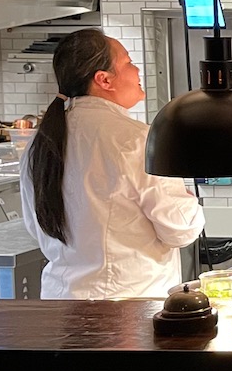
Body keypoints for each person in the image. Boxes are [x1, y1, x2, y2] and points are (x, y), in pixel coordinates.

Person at [20, 28, 205, 299]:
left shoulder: (39, 143)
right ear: (104, 80)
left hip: (60, 303)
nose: (137, 70)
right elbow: (181, 229)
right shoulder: (135, 140)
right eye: (128, 62)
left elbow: (38, 227)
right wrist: (188, 200)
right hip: (128, 309)